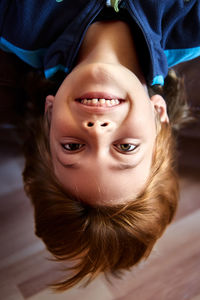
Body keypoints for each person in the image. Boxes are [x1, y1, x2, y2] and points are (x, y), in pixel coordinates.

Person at [1, 0, 199, 291]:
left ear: (49, 114)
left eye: (72, 147)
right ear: (159, 116)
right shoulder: (190, 26)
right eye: (126, 148)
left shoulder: (18, 25)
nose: (98, 131)